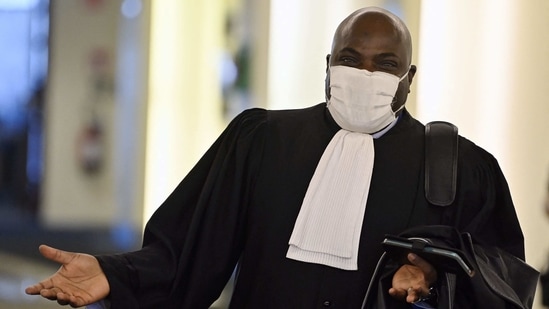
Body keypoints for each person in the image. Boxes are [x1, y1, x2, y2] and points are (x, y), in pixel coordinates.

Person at [25, 6, 536, 309]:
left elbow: (502, 277)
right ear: (328, 65)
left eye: (386, 65)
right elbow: (188, 250)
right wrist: (113, 274)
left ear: (410, 77)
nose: (365, 75)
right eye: (350, 60)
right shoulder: (262, 140)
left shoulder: (461, 167)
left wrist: (434, 274)